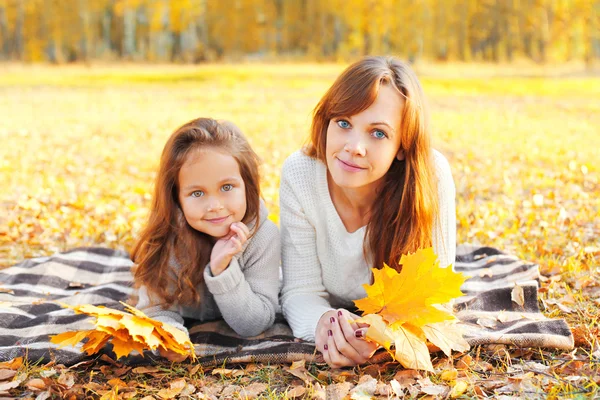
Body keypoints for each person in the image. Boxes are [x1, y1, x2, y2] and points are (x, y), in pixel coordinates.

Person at [279, 56, 456, 368]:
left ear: (403, 144)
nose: (354, 146)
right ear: (327, 122)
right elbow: (299, 290)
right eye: (344, 123)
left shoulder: (431, 176)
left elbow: (436, 299)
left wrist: (381, 334)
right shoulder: (301, 174)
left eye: (378, 133)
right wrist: (325, 325)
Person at [132, 117, 280, 361]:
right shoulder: (167, 237)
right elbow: (156, 309)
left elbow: (255, 324)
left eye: (227, 187)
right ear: (176, 197)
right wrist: (171, 336)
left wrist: (222, 270)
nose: (214, 206)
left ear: (248, 186)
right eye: (197, 193)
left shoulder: (264, 236)